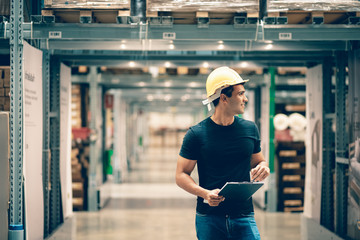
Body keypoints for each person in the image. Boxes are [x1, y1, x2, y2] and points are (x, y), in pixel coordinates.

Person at [175, 66, 270, 240]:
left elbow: (259, 161)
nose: (245, 99)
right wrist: (204, 193)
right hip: (209, 217)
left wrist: (263, 167)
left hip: (244, 215)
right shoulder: (196, 134)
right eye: (240, 94)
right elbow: (181, 175)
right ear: (224, 98)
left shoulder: (250, 129)